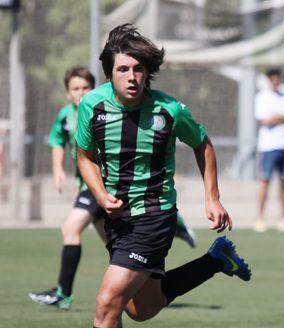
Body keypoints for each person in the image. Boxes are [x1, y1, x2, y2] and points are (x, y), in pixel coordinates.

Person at [46, 24, 251, 328]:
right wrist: (101, 194)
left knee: (107, 302)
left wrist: (212, 196)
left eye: (139, 69)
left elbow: (203, 143)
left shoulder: (168, 110)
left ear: (148, 72)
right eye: (124, 69)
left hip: (155, 218)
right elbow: (85, 156)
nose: (133, 77)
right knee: (143, 308)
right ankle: (216, 261)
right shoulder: (93, 106)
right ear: (110, 72)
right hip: (118, 220)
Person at [28, 67, 198, 311]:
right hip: (92, 189)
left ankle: (63, 293)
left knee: (70, 228)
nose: (81, 93)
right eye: (75, 89)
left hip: (106, 187)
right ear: (67, 94)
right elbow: (57, 142)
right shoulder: (67, 116)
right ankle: (185, 244)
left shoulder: (105, 107)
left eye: (85, 88)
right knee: (132, 285)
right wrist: (57, 169)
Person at [254, 67, 284, 232]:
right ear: (269, 80)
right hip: (269, 147)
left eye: (277, 79)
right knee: (265, 181)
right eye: (272, 79)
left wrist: (279, 117)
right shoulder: (262, 97)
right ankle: (260, 218)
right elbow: (265, 120)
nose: (275, 82)